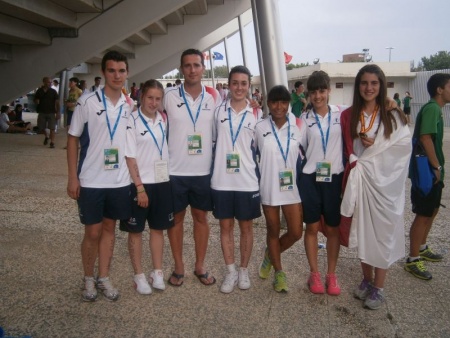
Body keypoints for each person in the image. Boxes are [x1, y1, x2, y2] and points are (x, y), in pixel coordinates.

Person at [340, 64, 410, 310]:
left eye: (374, 83)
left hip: (384, 186)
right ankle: (367, 280)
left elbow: (402, 150)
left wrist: (377, 152)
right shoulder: (350, 115)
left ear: (381, 86)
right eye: (364, 83)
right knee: (363, 232)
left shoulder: (392, 115)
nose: (368, 88)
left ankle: (379, 287)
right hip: (362, 182)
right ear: (357, 86)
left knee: (382, 235)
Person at [67, 51, 134, 302]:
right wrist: (73, 178)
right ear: (104, 73)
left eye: (121, 70)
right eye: (112, 70)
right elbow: (73, 139)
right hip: (91, 180)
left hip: (118, 181)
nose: (117, 75)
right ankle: (88, 278)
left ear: (127, 73)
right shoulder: (88, 101)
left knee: (109, 229)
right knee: (92, 232)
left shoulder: (129, 105)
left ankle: (103, 276)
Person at [163, 48, 222, 287]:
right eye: (187, 66)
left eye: (196, 65)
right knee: (176, 220)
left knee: (201, 218)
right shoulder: (168, 96)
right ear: (181, 69)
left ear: (203, 68)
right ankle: (178, 267)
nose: (192, 70)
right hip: (174, 171)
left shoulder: (215, 97)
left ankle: (200, 265)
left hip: (202, 171)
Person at [211, 66, 263, 294]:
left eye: (244, 83)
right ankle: (230, 270)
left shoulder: (257, 113)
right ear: (229, 85)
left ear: (249, 85)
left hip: (247, 180)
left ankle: (243, 270)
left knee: (246, 228)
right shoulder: (218, 111)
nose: (239, 87)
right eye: (235, 83)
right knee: (225, 227)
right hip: (222, 180)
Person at [120, 79, 174, 294]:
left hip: (162, 182)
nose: (153, 102)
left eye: (158, 99)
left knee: (158, 229)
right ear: (141, 97)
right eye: (150, 97)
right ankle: (139, 275)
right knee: (135, 231)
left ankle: (157, 272)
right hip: (139, 185)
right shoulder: (132, 121)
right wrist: (140, 187)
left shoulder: (162, 119)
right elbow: (130, 157)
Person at [298, 71, 344, 296]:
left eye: (322, 91)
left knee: (333, 228)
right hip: (311, 178)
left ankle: (331, 275)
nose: (317, 96)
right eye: (313, 91)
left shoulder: (341, 113)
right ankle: (314, 273)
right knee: (313, 227)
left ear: (329, 91)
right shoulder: (304, 120)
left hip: (334, 179)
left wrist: (390, 102)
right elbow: (298, 147)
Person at [255, 85, 303, 293]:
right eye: (274, 102)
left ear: (289, 104)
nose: (279, 107)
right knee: (273, 230)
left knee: (295, 232)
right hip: (268, 188)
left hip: (291, 188)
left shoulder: (298, 126)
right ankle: (279, 272)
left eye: (283, 102)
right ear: (268, 103)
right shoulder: (259, 127)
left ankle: (270, 254)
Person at [405, 73, 450, 280]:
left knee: (431, 211)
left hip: (431, 171)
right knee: (423, 214)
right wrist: (436, 166)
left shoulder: (436, 109)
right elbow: (425, 137)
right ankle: (413, 259)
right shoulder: (432, 108)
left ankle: (422, 247)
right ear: (439, 89)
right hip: (426, 172)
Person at [34, 76, 60, 148]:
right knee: (41, 128)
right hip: (42, 111)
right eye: (48, 82)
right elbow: (35, 99)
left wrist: (58, 112)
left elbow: (57, 102)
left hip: (51, 112)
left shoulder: (53, 91)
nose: (50, 83)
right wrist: (36, 101)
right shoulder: (39, 91)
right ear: (44, 82)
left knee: (52, 128)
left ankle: (52, 142)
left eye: (50, 82)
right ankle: (46, 136)